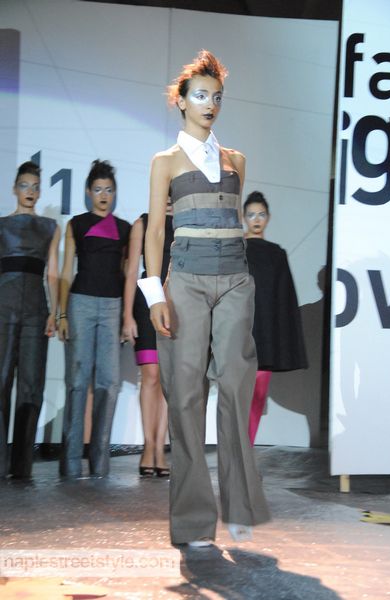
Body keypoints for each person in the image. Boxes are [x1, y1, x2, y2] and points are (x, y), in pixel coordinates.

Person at [138, 50, 270, 546]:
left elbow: (232, 222)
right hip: (186, 281)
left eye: (216, 96)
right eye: (200, 95)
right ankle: (194, 522)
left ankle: (240, 508)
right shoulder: (165, 162)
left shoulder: (237, 160)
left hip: (235, 279)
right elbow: (156, 231)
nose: (210, 104)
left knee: (236, 387)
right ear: (181, 101)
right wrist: (155, 293)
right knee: (186, 396)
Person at [58, 160, 130, 478]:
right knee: (77, 382)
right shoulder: (76, 224)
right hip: (81, 304)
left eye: (109, 190)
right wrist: (61, 313)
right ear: (88, 192)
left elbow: (127, 275)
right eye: (98, 189)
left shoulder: (125, 229)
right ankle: (70, 461)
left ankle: (100, 463)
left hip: (112, 306)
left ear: (114, 193)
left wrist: (127, 316)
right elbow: (65, 272)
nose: (103, 195)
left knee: (109, 383)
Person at [0, 161, 60, 479]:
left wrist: (55, 311)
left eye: (35, 187)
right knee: (1, 382)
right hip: (3, 308)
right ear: (14, 189)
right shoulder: (1, 225)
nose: (31, 191)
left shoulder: (50, 227)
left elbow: (53, 273)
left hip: (36, 309)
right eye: (25, 185)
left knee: (31, 386)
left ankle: (22, 466)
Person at [244, 191, 308, 444]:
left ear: (268, 218)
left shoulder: (276, 254)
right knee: (237, 395)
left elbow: (284, 298)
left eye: (261, 214)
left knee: (258, 392)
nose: (256, 220)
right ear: (243, 217)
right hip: (239, 328)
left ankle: (246, 448)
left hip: (266, 332)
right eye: (251, 215)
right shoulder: (235, 250)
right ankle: (236, 450)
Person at [122, 207, 173, 477]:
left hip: (176, 302)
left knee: (167, 379)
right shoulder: (141, 223)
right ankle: (148, 445)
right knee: (151, 374)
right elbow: (131, 271)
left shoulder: (185, 222)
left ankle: (160, 448)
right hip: (146, 302)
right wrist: (127, 315)